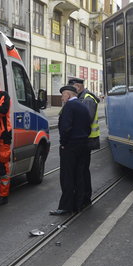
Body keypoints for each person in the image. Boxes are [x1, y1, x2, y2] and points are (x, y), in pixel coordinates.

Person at [50, 84, 91, 215]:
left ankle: (66, 206)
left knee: (67, 176)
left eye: (63, 95)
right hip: (83, 144)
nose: (62, 98)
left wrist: (63, 143)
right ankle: (80, 203)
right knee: (80, 174)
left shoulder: (69, 107)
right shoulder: (83, 106)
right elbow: (88, 126)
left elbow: (65, 127)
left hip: (70, 146)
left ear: (68, 95)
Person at [69, 77, 99, 209]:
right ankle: (84, 197)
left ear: (78, 86)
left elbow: (86, 119)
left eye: (72, 88)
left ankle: (85, 198)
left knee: (82, 170)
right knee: (82, 170)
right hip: (84, 139)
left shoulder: (87, 99)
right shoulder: (82, 98)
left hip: (87, 140)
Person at [0, 73, 12, 206]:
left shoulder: (3, 95)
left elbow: (3, 111)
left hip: (3, 136)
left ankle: (3, 196)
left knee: (3, 167)